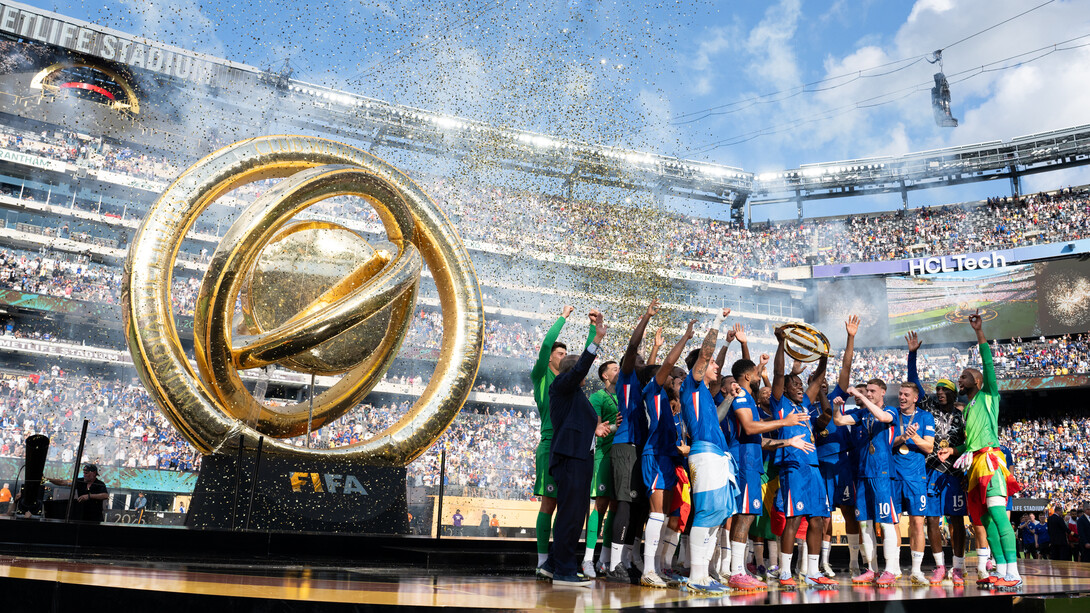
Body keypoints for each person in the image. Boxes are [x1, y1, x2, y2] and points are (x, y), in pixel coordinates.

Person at [937, 312, 1022, 589]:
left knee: (998, 516)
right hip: (974, 464)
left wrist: (979, 332)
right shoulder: (968, 409)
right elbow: (970, 443)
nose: (959, 379)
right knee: (984, 520)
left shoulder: (989, 396)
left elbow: (988, 364)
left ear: (978, 380)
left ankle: (1014, 573)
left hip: (990, 462)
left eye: (964, 376)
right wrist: (953, 450)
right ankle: (1000, 569)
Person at [544, 310, 611, 587]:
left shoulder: (574, 394)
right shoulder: (561, 385)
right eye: (581, 372)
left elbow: (575, 421)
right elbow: (581, 367)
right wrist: (595, 340)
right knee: (571, 515)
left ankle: (552, 565)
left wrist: (595, 429)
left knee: (572, 513)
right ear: (574, 373)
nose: (586, 376)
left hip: (579, 457)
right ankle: (564, 571)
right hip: (571, 458)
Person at [532, 305, 595, 576]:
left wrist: (593, 329)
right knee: (550, 503)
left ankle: (555, 561)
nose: (563, 356)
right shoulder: (542, 376)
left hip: (568, 445)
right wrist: (563, 317)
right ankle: (543, 560)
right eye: (559, 353)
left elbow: (581, 364)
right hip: (551, 444)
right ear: (548, 358)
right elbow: (548, 344)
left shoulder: (570, 386)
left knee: (568, 506)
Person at [678, 308, 737, 595]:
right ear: (699, 367)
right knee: (705, 513)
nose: (716, 366)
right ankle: (696, 575)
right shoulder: (692, 384)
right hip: (704, 453)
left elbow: (717, 417)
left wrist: (729, 399)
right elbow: (704, 354)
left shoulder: (706, 396)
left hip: (718, 454)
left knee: (717, 514)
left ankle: (705, 574)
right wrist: (717, 322)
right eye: (712, 362)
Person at [770, 325, 832, 589]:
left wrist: (824, 355)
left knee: (818, 519)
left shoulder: (804, 403)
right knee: (794, 519)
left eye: (799, 384)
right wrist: (781, 344)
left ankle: (812, 572)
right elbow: (778, 374)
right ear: (784, 389)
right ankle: (785, 572)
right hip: (792, 465)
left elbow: (817, 381)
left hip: (813, 466)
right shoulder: (779, 403)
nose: (798, 387)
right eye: (793, 384)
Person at [906, 330, 969, 587]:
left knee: (956, 520)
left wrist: (957, 456)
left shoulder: (962, 417)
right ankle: (940, 566)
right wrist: (912, 355)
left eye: (945, 390)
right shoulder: (929, 408)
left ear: (954, 394)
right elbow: (913, 382)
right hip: (931, 471)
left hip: (954, 474)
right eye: (938, 389)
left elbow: (968, 446)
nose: (940, 392)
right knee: (932, 519)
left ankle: (959, 566)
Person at [637, 319, 694, 588]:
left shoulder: (671, 403)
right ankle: (648, 569)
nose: (673, 378)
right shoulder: (653, 390)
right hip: (655, 456)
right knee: (657, 514)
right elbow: (668, 364)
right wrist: (685, 337)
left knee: (666, 515)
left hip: (668, 458)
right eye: (670, 376)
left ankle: (659, 567)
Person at [605, 300, 655, 583]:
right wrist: (645, 318)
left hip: (639, 448)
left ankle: (626, 560)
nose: (641, 362)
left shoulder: (644, 387)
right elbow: (633, 348)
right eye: (638, 360)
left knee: (637, 507)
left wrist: (655, 348)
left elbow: (650, 367)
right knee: (624, 504)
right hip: (625, 446)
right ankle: (613, 565)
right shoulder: (626, 378)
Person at [832, 382, 899, 587]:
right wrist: (836, 407)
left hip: (882, 473)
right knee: (865, 523)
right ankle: (871, 568)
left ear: (883, 392)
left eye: (872, 391)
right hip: (862, 473)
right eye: (866, 391)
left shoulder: (891, 410)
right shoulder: (862, 414)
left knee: (886, 522)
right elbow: (839, 420)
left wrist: (862, 398)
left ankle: (890, 569)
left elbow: (883, 417)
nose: (868, 394)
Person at [890, 382, 935, 585]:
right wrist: (903, 437)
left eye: (906, 395)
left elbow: (929, 447)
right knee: (893, 523)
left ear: (915, 398)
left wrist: (914, 436)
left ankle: (916, 570)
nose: (902, 397)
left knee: (917, 523)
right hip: (894, 476)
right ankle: (894, 568)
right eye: (900, 394)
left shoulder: (925, 417)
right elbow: (887, 443)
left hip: (916, 478)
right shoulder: (892, 415)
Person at [586, 359, 619, 577]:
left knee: (616, 506)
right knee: (601, 505)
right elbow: (598, 429)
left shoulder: (624, 395)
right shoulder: (597, 397)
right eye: (615, 369)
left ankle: (604, 560)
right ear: (605, 376)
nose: (619, 371)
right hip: (604, 454)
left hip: (621, 456)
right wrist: (616, 425)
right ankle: (587, 559)